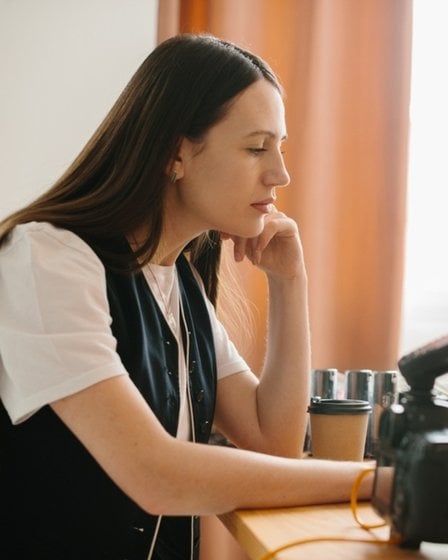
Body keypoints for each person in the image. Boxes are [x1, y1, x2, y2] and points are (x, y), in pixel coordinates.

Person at [0, 34, 373, 559]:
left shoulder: (179, 280)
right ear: (175, 153)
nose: (280, 174)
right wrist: (376, 483)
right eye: (256, 147)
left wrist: (290, 282)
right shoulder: (46, 259)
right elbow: (156, 475)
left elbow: (273, 441)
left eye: (280, 148)